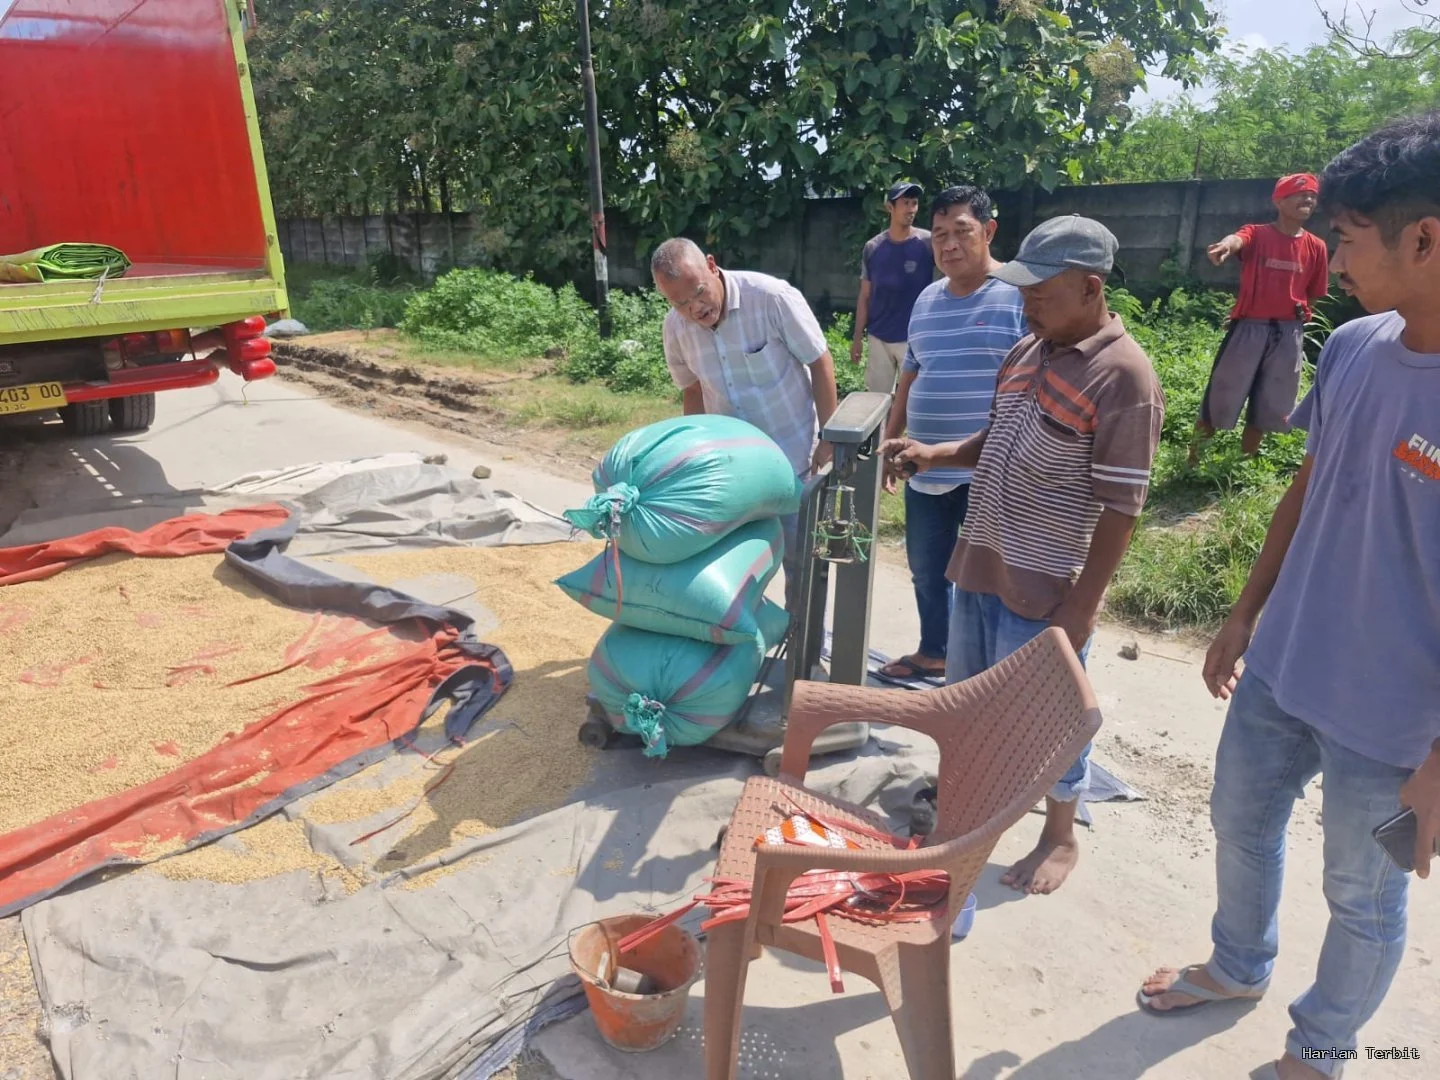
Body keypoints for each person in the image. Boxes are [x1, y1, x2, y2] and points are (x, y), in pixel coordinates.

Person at [1138, 113, 1440, 1080]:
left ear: (1425, 238)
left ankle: (1324, 1050)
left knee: (1367, 892)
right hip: (1283, 670)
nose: (1333, 260)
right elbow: (1308, 489)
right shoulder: (1352, 347)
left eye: (1347, 238)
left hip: (1398, 729)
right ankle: (1237, 965)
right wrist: (1242, 614)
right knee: (1239, 821)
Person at [884, 215, 1164, 894]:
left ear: (1091, 287)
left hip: (1045, 585)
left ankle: (1059, 833)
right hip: (982, 559)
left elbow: (1123, 508)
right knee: (970, 700)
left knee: (1050, 721)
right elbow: (995, 435)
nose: (1026, 299)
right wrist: (935, 453)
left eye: (1041, 289)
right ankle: (970, 811)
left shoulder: (1124, 378)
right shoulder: (1028, 350)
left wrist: (1083, 609)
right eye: (1024, 287)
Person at [875, 185, 1026, 683]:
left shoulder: (1018, 296)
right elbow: (909, 377)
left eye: (961, 231)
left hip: (990, 468)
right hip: (924, 466)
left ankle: (985, 671)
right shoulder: (926, 300)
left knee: (989, 575)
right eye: (939, 234)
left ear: (988, 230)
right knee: (926, 568)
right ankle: (935, 651)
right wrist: (889, 444)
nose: (949, 244)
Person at [651, 237, 838, 605]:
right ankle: (743, 647)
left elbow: (820, 361)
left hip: (794, 460)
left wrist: (830, 436)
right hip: (733, 473)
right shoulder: (675, 327)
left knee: (801, 565)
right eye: (680, 303)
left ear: (711, 264)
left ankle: (803, 654)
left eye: (698, 293)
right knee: (734, 566)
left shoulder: (770, 297)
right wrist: (696, 454)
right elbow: (692, 390)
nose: (694, 309)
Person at [1191, 173, 1330, 463]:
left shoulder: (1316, 247)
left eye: (1313, 196)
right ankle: (1193, 460)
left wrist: (1299, 317)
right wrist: (1226, 246)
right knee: (1221, 394)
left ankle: (1244, 462)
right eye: (1300, 194)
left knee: (1269, 401)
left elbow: (1314, 293)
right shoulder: (1257, 233)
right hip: (1249, 328)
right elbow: (1238, 239)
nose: (1308, 200)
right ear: (1279, 201)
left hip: (1288, 332)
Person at [850, 181, 935, 394]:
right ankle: (882, 430)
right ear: (890, 207)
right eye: (905, 203)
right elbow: (865, 296)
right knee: (876, 402)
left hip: (914, 337)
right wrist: (857, 338)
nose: (911, 209)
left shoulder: (928, 243)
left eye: (914, 203)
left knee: (913, 400)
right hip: (879, 337)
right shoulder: (873, 247)